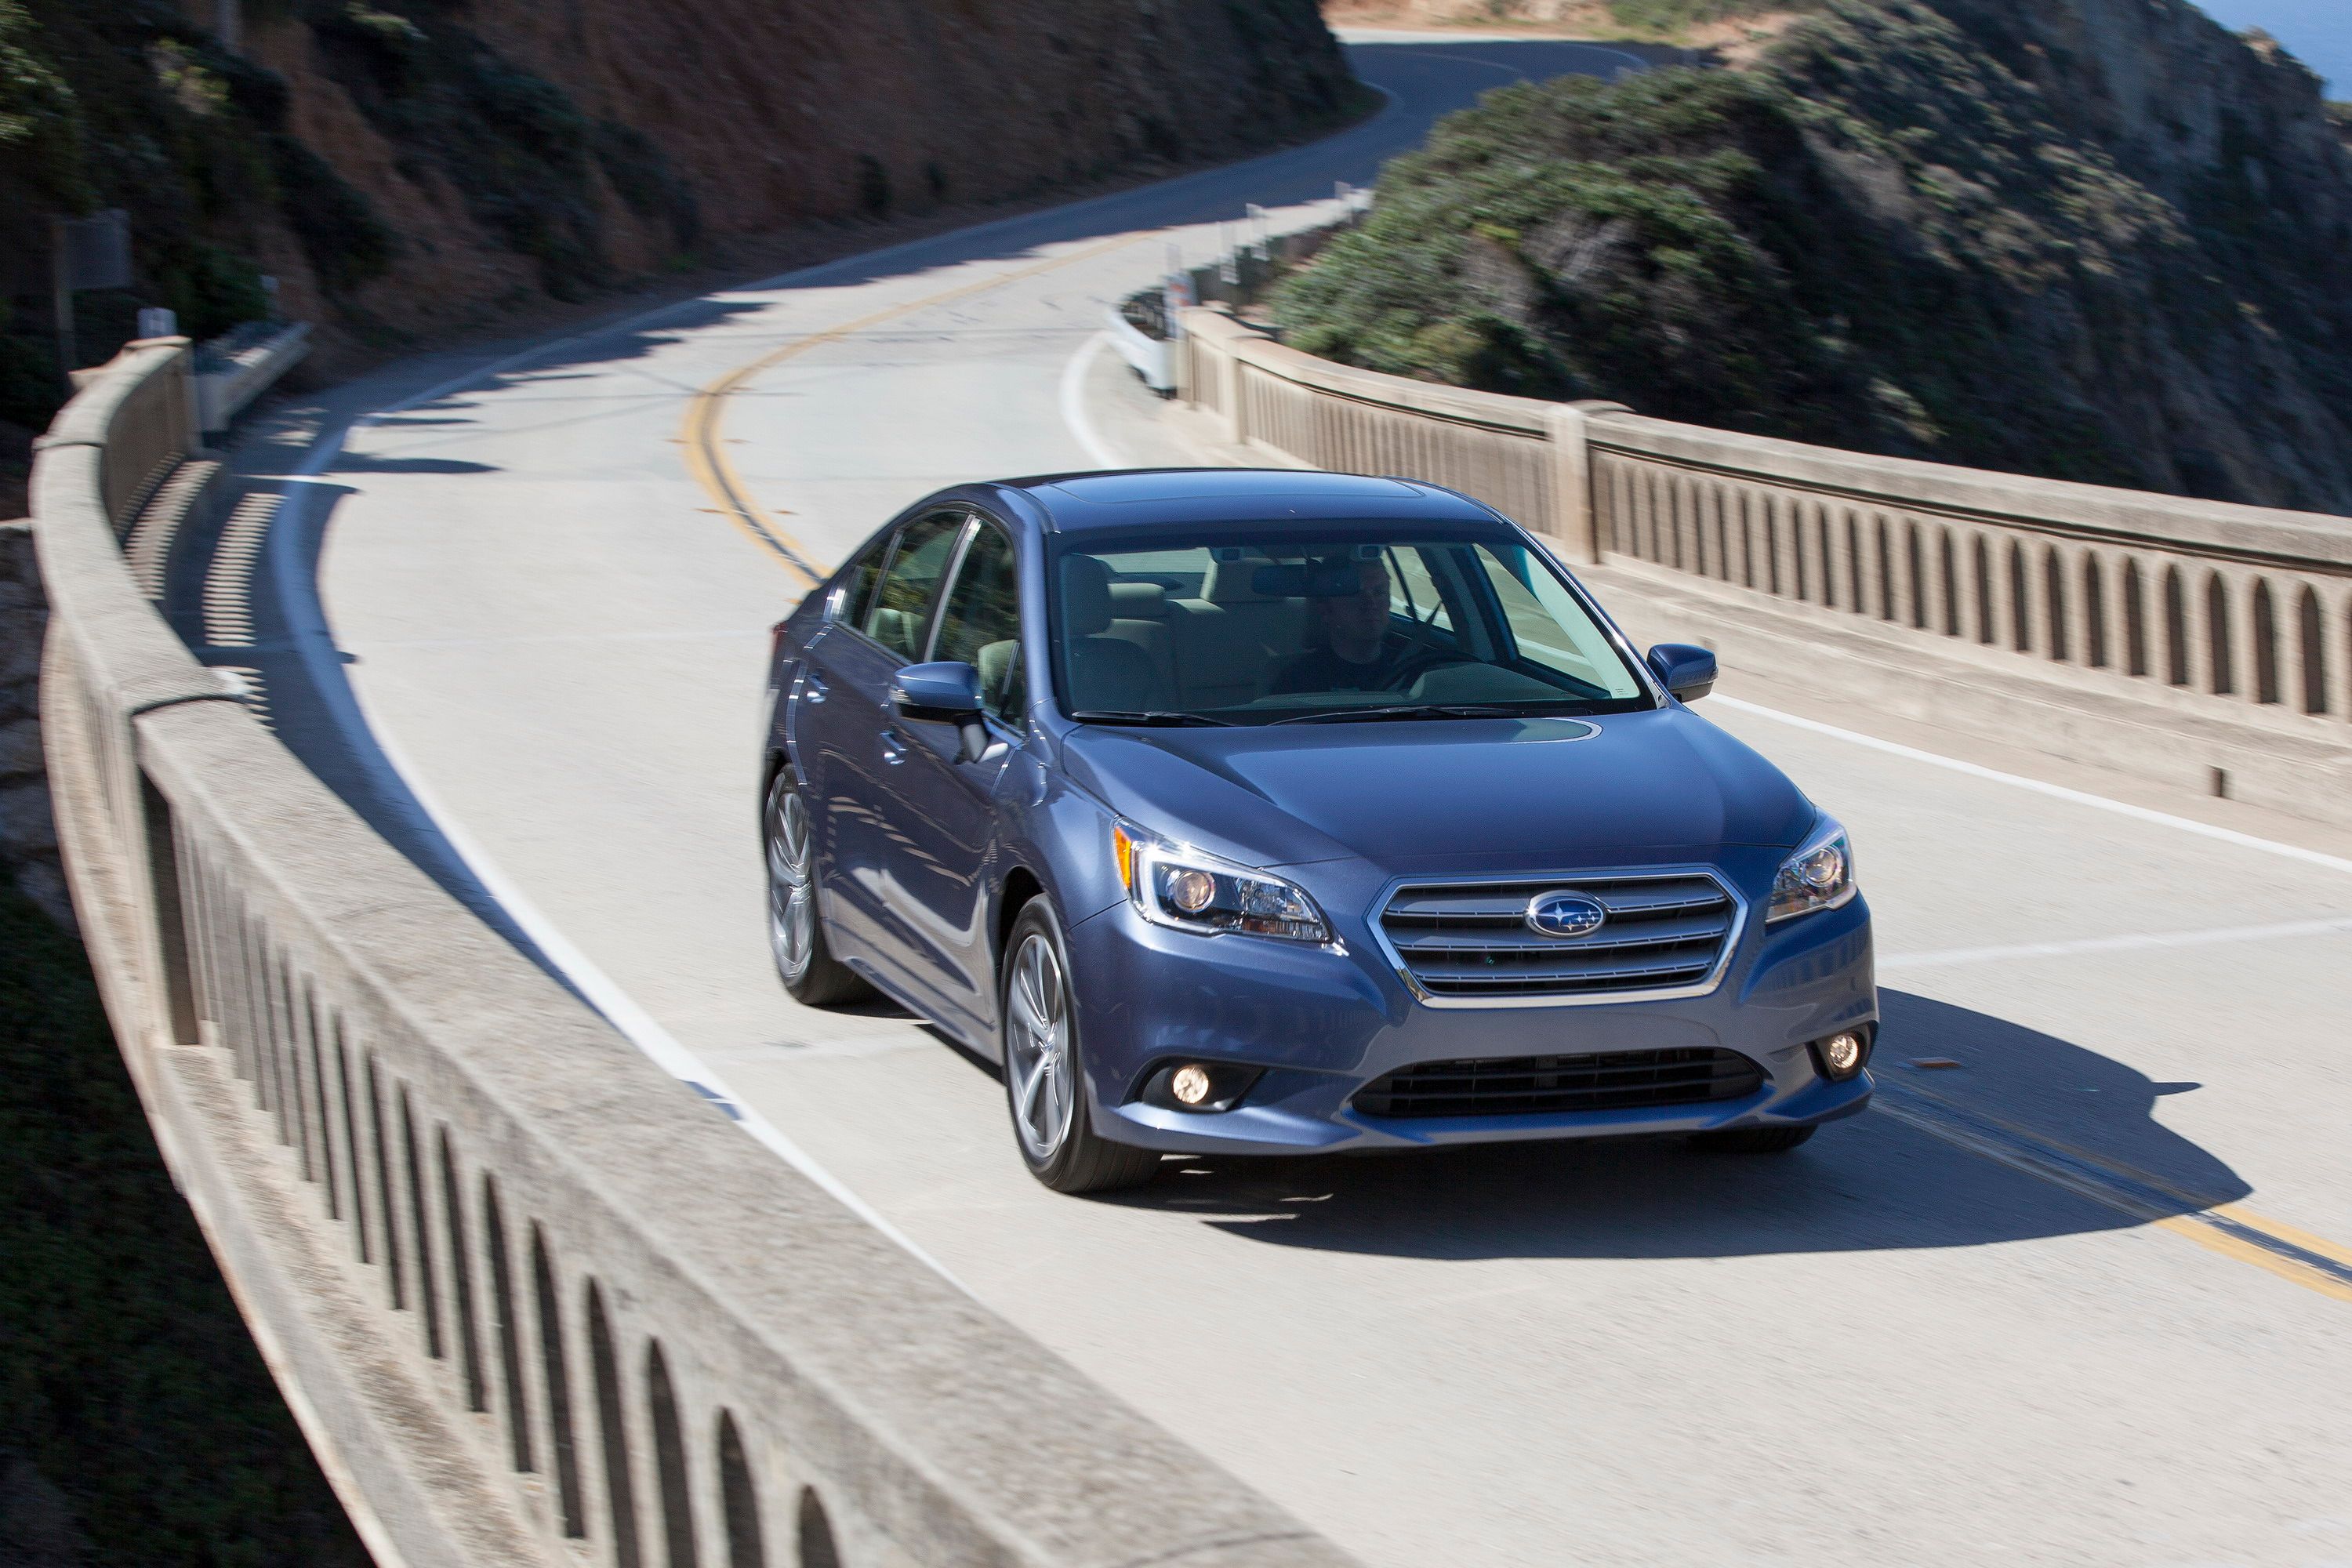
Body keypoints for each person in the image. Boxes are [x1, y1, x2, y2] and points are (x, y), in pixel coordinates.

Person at [1269, 555, 1431, 695]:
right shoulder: (1297, 682)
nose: (1371, 604)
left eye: (1379, 592)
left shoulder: (1418, 672)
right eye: (1355, 594)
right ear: (1325, 610)